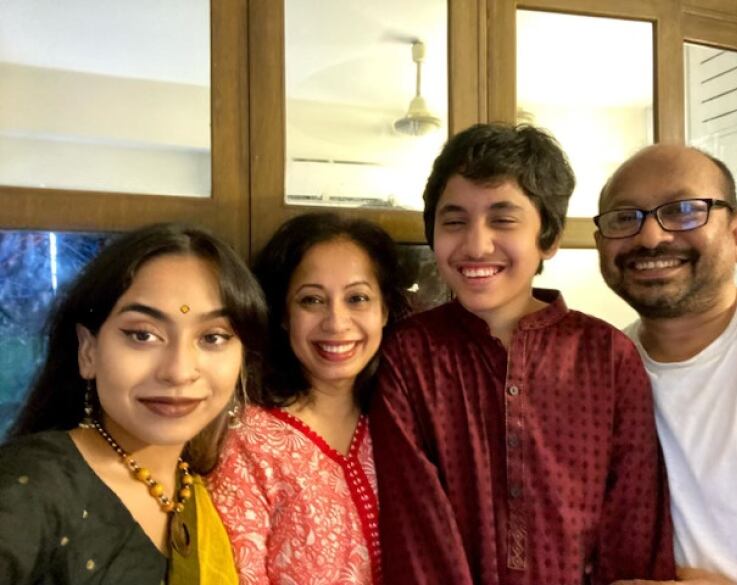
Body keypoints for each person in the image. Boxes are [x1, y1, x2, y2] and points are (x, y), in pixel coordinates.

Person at [370, 123, 675, 585]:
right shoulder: (407, 355)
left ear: (547, 239)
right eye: (454, 221)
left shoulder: (608, 356)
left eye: (503, 219)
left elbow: (633, 524)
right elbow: (417, 530)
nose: (476, 244)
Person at [0, 222, 267, 585]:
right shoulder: (28, 489)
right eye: (143, 335)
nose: (179, 371)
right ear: (88, 350)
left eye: (213, 337)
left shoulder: (196, 485)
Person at [595, 144, 737, 585]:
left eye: (683, 210)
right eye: (626, 217)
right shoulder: (596, 375)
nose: (651, 237)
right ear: (601, 245)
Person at [208, 212, 409, 585]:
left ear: (384, 311)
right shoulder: (248, 442)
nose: (336, 321)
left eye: (358, 298)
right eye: (312, 300)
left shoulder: (400, 425)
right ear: (284, 315)